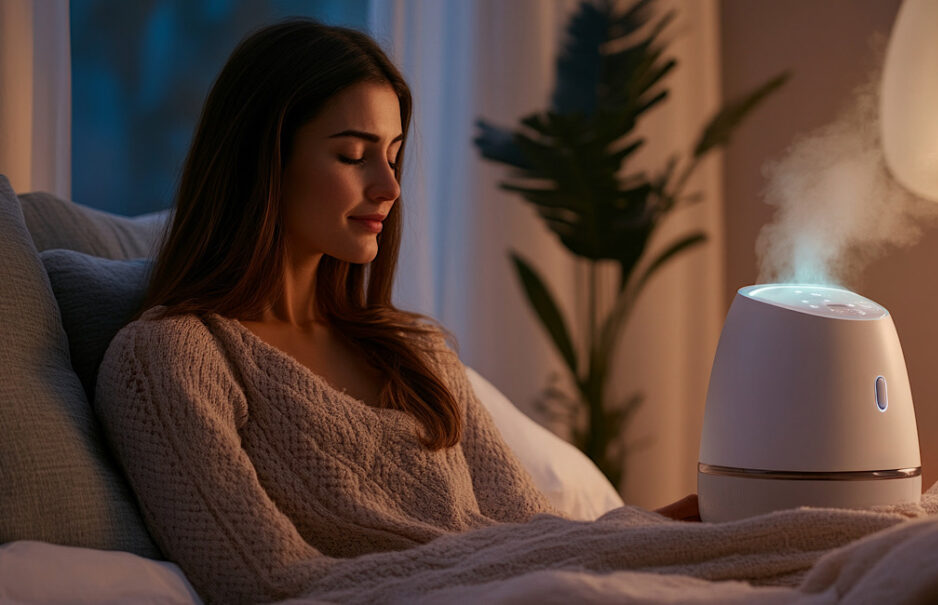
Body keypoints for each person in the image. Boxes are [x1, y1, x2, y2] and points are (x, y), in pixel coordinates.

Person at [94, 19, 697, 605]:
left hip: (535, 583)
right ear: (263, 163)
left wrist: (673, 528)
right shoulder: (171, 359)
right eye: (354, 155)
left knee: (786, 534)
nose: (389, 186)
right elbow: (267, 582)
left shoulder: (416, 350)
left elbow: (528, 532)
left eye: (393, 154)